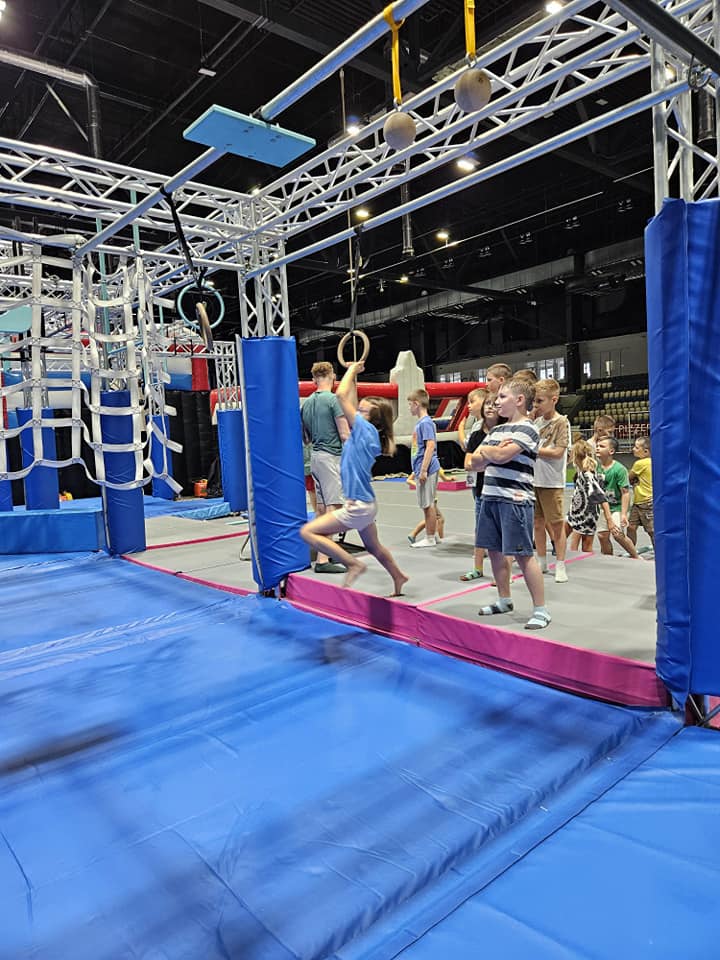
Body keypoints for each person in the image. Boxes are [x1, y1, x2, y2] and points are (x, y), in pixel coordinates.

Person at [300, 361, 408, 595]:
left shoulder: (365, 431)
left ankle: (352, 563)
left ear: (372, 419)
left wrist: (352, 369)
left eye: (362, 411)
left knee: (308, 532)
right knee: (374, 547)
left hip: (357, 506)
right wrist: (355, 379)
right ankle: (398, 576)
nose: (356, 412)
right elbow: (348, 401)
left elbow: (340, 395)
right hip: (366, 504)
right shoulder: (365, 434)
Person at [470, 378, 551, 630]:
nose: (497, 401)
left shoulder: (528, 429)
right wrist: (492, 453)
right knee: (494, 550)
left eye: (502, 396)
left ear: (519, 400)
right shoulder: (497, 431)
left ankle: (541, 609)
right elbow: (473, 462)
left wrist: (490, 452)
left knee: (523, 555)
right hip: (490, 496)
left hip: (515, 499)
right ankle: (504, 599)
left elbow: (501, 456)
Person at [301, 361, 349, 573]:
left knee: (321, 509)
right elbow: (345, 434)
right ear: (333, 376)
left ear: (314, 379)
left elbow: (306, 438)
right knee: (333, 507)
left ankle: (323, 552)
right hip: (331, 458)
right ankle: (322, 560)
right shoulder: (333, 400)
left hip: (315, 458)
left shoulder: (306, 404)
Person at [461, 392, 504, 580]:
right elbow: (468, 463)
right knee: (481, 529)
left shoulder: (504, 433)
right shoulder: (477, 435)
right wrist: (489, 461)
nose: (490, 407)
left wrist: (483, 461)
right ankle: (477, 568)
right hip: (481, 489)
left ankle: (503, 573)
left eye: (494, 404)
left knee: (502, 531)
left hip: (501, 490)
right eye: (487, 404)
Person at [533, 378, 571, 583]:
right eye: (535, 401)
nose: (536, 405)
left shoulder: (562, 422)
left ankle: (561, 564)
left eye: (540, 401)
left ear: (554, 399)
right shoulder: (536, 423)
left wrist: (533, 449)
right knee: (537, 523)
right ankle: (541, 560)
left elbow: (558, 452)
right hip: (534, 480)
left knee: (556, 525)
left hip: (552, 482)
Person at [568, 413, 616, 551]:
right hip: (586, 493)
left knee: (586, 533)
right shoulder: (588, 446)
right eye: (609, 432)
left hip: (592, 492)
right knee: (577, 531)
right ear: (599, 430)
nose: (612, 434)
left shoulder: (604, 446)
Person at [407, 388, 441, 548]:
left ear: (416, 404)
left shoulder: (426, 423)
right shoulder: (421, 423)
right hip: (421, 466)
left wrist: (423, 470)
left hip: (427, 468)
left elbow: (430, 446)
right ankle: (434, 534)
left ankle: (430, 537)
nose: (409, 408)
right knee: (427, 504)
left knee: (428, 505)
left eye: (410, 405)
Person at [595, 436, 639, 559]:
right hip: (603, 507)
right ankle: (609, 558)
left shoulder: (619, 469)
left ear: (611, 451)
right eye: (597, 446)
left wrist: (623, 514)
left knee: (617, 533)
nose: (597, 448)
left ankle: (635, 556)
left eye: (602, 446)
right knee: (602, 535)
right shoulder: (595, 467)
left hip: (617, 507)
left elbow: (625, 493)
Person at [407, 468, 447, 543]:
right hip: (429, 497)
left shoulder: (436, 467)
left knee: (434, 518)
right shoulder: (422, 468)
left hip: (432, 497)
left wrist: (449, 479)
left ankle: (414, 534)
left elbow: (444, 478)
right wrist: (419, 485)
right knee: (438, 518)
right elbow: (408, 480)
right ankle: (440, 538)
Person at [628, 436, 654, 549]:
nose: (633, 449)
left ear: (646, 451)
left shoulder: (640, 463)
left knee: (650, 530)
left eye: (636, 447)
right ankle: (631, 550)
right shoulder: (653, 461)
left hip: (645, 501)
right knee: (631, 526)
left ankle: (631, 550)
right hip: (640, 501)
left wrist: (634, 480)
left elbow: (629, 477)